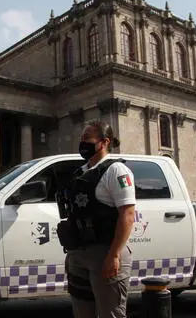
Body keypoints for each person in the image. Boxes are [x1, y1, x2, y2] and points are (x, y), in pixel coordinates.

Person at [57, 120, 136, 318]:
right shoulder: (81, 172)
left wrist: (115, 254)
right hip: (79, 253)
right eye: (81, 138)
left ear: (104, 142)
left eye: (87, 139)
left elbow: (127, 214)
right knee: (82, 312)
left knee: (111, 313)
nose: (82, 143)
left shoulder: (116, 170)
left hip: (105, 252)